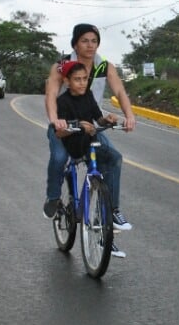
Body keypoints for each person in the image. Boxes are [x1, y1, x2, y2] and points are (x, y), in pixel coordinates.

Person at [43, 24, 136, 243]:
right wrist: (55, 121)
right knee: (59, 158)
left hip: (89, 125)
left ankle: (110, 211)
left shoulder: (104, 66)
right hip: (66, 126)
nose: (90, 45)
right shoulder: (62, 67)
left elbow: (120, 91)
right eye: (85, 40)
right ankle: (54, 197)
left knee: (112, 158)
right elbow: (51, 94)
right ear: (75, 43)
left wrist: (129, 115)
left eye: (94, 41)